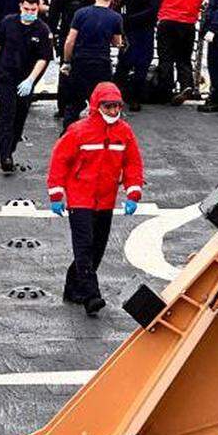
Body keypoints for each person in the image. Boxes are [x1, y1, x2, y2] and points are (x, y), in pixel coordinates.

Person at [47, 82, 144, 315]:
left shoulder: (124, 132)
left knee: (96, 248)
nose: (113, 111)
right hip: (80, 198)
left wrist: (133, 191)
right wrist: (56, 192)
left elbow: (132, 163)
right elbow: (60, 160)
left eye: (116, 106)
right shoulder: (78, 131)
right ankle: (91, 295)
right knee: (84, 246)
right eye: (108, 106)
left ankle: (72, 287)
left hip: (105, 199)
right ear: (97, 106)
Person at [0, 0, 52, 173]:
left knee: (20, 115)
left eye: (33, 10)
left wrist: (31, 80)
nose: (29, 13)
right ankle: (5, 156)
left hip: (26, 78)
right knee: (6, 115)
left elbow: (43, 58)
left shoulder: (42, 30)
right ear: (20, 6)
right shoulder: (8, 23)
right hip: (6, 76)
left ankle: (12, 145)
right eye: (26, 9)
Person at [60, 0, 124, 128]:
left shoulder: (81, 13)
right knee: (101, 100)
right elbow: (117, 42)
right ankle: (98, 133)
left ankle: (67, 134)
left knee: (74, 103)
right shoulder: (116, 17)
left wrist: (67, 61)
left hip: (80, 62)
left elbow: (70, 41)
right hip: (102, 63)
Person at [49, 0, 96, 116]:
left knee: (65, 71)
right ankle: (92, 105)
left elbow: (54, 15)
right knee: (87, 72)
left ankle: (63, 108)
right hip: (87, 37)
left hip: (66, 35)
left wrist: (52, 35)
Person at [114, 0, 162, 111]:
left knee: (142, 63)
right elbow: (121, 2)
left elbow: (153, 9)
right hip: (130, 29)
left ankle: (136, 98)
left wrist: (128, 19)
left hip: (144, 28)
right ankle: (117, 95)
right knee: (124, 62)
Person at [156, 0, 205, 105]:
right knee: (184, 58)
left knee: (166, 57)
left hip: (167, 21)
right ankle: (186, 85)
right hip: (188, 23)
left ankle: (166, 90)